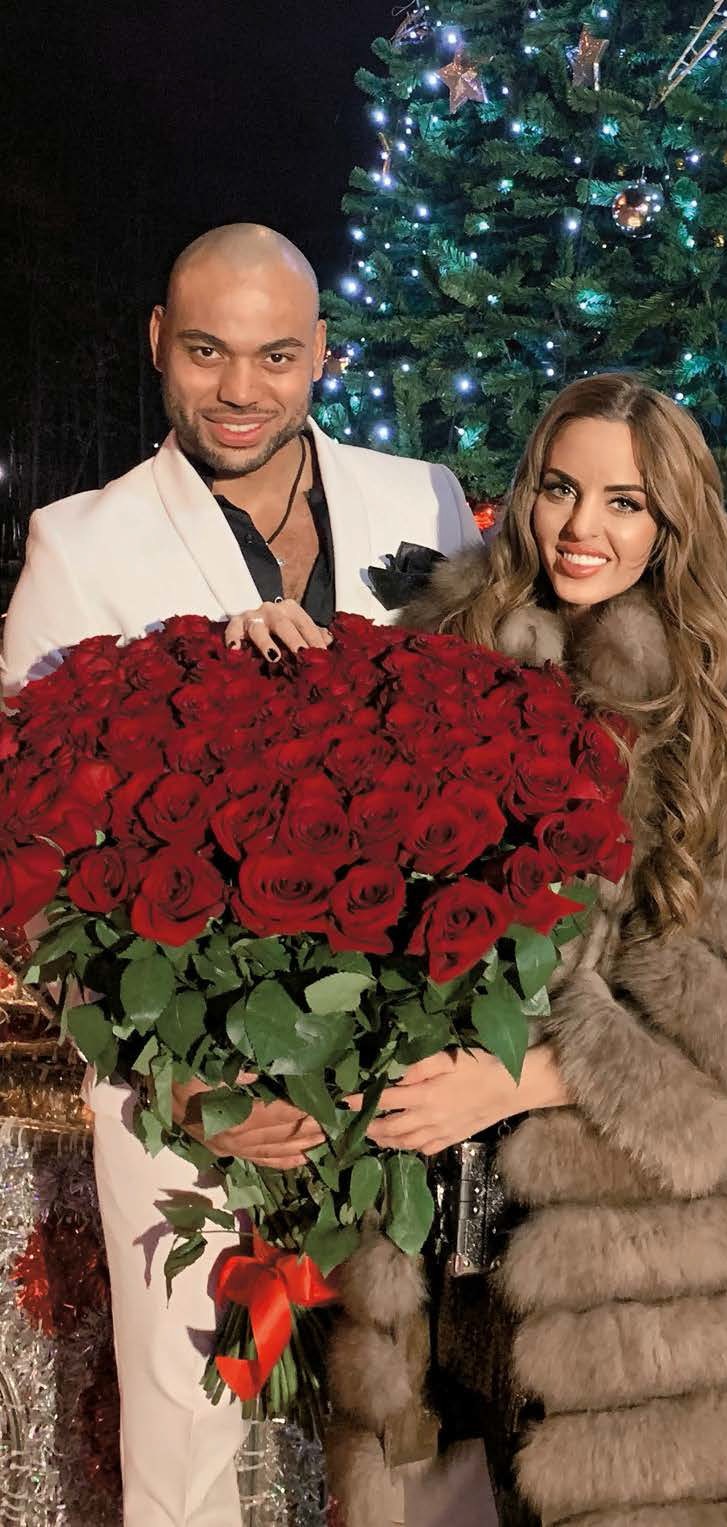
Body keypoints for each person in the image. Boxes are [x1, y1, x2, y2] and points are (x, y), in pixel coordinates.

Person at [1, 222, 480, 1527]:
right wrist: (182, 1084)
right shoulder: (80, 543)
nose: (239, 389)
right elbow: (34, 870)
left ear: (322, 353)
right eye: (207, 351)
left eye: (275, 356)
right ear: (159, 343)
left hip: (398, 1083)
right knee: (187, 1451)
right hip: (191, 1098)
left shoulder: (428, 504)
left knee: (411, 1440)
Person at [313, 374, 727, 1525]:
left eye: (625, 502)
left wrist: (518, 1078)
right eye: (559, 489)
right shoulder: (444, 664)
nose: (582, 528)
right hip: (435, 1251)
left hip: (641, 1288)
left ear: (674, 521)